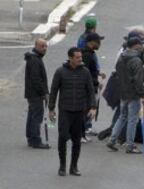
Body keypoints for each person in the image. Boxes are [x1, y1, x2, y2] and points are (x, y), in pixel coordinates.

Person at [48, 47, 96, 176]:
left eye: (81, 57)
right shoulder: (60, 72)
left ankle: (73, 166)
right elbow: (53, 91)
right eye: (77, 57)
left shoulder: (85, 72)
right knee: (62, 137)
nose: (80, 59)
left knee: (77, 140)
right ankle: (62, 165)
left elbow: (91, 91)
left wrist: (93, 107)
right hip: (65, 110)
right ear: (70, 58)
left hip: (80, 111)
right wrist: (51, 109)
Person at [106, 37, 144, 154]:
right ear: (136, 46)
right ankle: (130, 145)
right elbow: (138, 80)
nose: (142, 47)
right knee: (132, 119)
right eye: (141, 44)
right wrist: (142, 95)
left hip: (123, 91)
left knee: (122, 116)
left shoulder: (122, 57)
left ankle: (112, 140)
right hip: (133, 94)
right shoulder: (136, 60)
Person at [24, 38, 50, 149]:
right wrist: (44, 92)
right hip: (35, 94)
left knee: (32, 115)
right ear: (36, 46)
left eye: (45, 46)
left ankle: (31, 137)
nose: (44, 48)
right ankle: (35, 140)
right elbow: (36, 79)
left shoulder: (34, 58)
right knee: (36, 117)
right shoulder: (35, 60)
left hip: (31, 93)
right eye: (42, 46)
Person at [81, 32, 105, 142]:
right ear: (91, 42)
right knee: (85, 110)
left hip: (90, 86)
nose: (100, 44)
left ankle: (84, 131)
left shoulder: (89, 53)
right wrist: (96, 83)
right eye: (98, 41)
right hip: (87, 88)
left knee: (87, 110)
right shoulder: (87, 55)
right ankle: (81, 134)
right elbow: (86, 73)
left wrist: (98, 75)